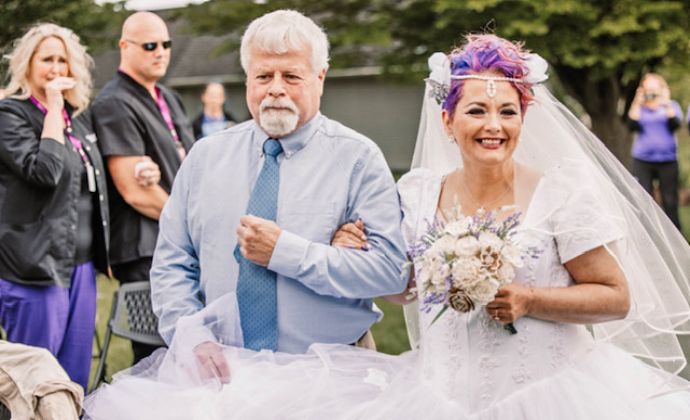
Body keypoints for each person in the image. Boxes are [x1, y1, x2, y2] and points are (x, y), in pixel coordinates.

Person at [84, 34, 690, 419]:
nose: (493, 125)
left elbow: (615, 297)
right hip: (439, 394)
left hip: (548, 395)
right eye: (476, 110)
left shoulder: (562, 192)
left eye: (507, 111)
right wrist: (367, 262)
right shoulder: (419, 193)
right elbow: (399, 283)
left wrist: (528, 297)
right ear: (448, 121)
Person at [0, 23, 110, 391]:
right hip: (34, 267)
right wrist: (52, 109)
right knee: (34, 383)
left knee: (73, 379)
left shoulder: (75, 119)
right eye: (47, 59)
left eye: (63, 60)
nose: (57, 68)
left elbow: (89, 185)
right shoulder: (11, 114)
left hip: (79, 265)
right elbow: (45, 172)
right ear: (27, 64)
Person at [90, 11, 194, 363]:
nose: (160, 51)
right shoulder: (114, 103)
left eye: (166, 44)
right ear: (124, 46)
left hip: (177, 242)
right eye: (150, 45)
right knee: (158, 354)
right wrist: (191, 228)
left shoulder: (169, 97)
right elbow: (135, 191)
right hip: (145, 249)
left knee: (190, 346)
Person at [627, 73, 683, 229]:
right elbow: (631, 125)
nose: (650, 91)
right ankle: (650, 238)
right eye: (647, 88)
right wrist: (637, 101)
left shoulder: (671, 106)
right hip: (642, 160)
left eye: (654, 88)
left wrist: (665, 102)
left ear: (662, 88)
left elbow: (675, 124)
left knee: (670, 201)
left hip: (668, 159)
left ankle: (676, 239)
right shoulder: (639, 108)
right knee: (644, 200)